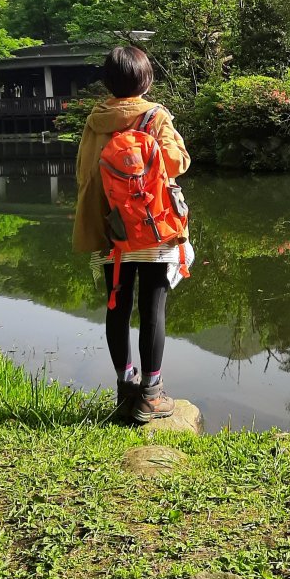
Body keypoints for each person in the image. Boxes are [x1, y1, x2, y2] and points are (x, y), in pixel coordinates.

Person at [72, 46, 191, 422]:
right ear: (146, 80)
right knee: (153, 309)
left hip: (112, 233)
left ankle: (126, 388)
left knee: (116, 306)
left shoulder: (96, 120)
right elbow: (177, 163)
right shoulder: (155, 116)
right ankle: (152, 394)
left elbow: (83, 173)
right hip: (155, 229)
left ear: (107, 82)